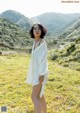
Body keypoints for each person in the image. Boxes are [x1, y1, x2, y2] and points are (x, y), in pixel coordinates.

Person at [26, 23, 49, 113]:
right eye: (35, 29)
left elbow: (43, 60)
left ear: (42, 31)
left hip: (40, 73)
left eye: (39, 29)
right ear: (32, 31)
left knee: (34, 97)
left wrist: (42, 74)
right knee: (40, 95)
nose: (37, 30)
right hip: (37, 72)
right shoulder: (35, 42)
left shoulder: (42, 43)